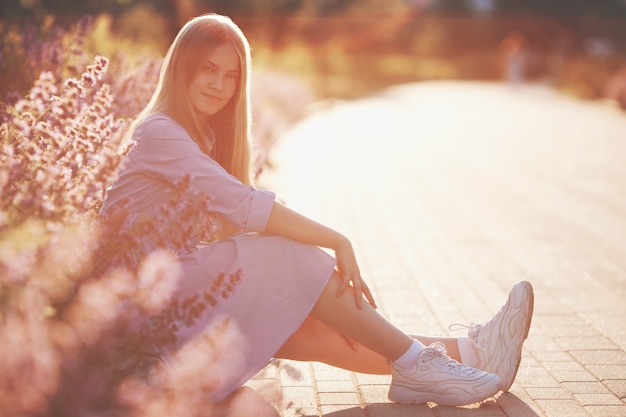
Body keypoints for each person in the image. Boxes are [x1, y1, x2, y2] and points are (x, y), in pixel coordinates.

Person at [101, 13, 534, 415]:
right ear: (181, 68)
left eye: (231, 76)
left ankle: (472, 354)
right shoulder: (160, 132)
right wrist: (335, 240)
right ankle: (421, 362)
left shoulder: (197, 138)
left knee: (305, 325)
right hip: (142, 310)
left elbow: (240, 216)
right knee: (288, 254)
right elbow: (248, 209)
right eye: (208, 69)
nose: (220, 85)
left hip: (167, 303)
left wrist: (310, 293)